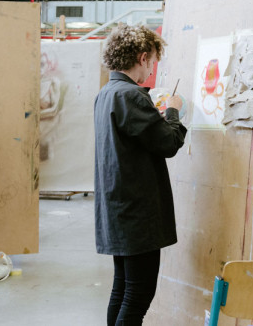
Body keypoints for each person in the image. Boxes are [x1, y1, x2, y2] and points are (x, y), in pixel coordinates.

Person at [94, 24, 186, 325]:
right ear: (142, 57)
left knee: (123, 288)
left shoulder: (107, 92)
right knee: (138, 295)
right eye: (152, 63)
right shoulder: (131, 96)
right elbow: (169, 143)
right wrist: (173, 111)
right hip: (136, 213)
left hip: (119, 208)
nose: (151, 71)